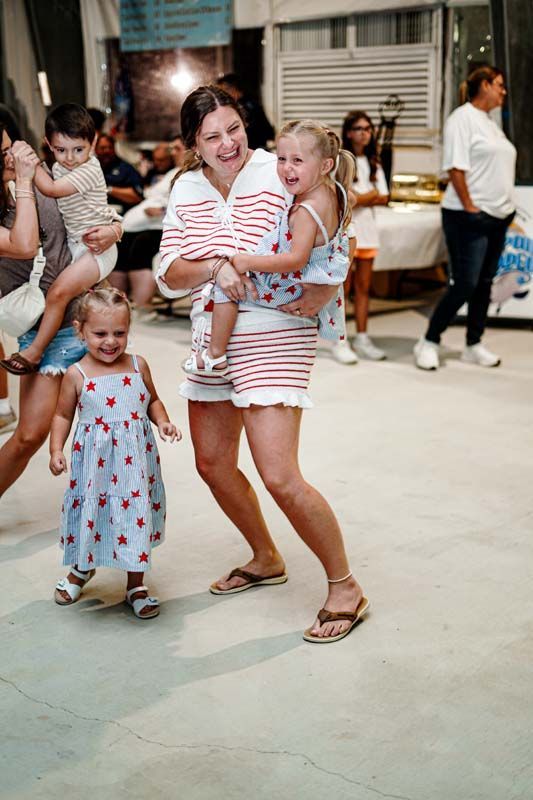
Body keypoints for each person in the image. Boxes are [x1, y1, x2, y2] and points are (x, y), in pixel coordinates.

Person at [158, 85, 368, 643]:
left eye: (234, 128)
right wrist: (213, 269)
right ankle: (265, 556)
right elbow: (167, 273)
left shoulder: (278, 169)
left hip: (276, 326)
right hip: (212, 330)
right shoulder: (184, 190)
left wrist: (331, 283)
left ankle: (345, 586)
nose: (228, 143)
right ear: (193, 145)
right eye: (212, 136)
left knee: (278, 472)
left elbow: (335, 218)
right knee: (213, 463)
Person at [0, 125, 119, 498]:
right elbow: (23, 244)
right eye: (0, 152)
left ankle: (114, 514)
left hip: (86, 318)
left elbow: (92, 205)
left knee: (109, 430)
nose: (10, 155)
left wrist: (115, 229)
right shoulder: (25, 183)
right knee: (31, 434)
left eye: (10, 145)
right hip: (40, 330)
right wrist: (23, 182)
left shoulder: (45, 176)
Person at [183, 119, 353, 375]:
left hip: (289, 286)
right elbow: (349, 226)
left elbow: (296, 259)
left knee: (226, 285)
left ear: (325, 165)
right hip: (307, 279)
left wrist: (246, 261)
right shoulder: (335, 191)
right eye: (281, 159)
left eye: (297, 161)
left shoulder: (307, 210)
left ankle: (214, 354)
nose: (286, 168)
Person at [50, 287, 180, 617]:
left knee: (134, 517)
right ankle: (81, 568)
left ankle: (136, 583)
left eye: (119, 333)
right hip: (95, 469)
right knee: (91, 514)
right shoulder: (76, 374)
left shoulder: (138, 365)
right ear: (80, 330)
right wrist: (56, 449)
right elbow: (62, 414)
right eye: (100, 333)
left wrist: (163, 422)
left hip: (135, 466)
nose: (110, 341)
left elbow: (152, 400)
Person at [0, 103, 121, 376]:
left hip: (93, 250)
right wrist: (28, 173)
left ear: (93, 143)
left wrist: (115, 230)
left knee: (58, 293)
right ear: (50, 145)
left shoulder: (85, 168)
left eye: (78, 149)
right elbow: (24, 244)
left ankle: (35, 352)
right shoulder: (55, 169)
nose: (69, 158)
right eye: (60, 150)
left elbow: (60, 193)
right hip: (79, 252)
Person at [414, 67, 516, 370]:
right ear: (483, 85)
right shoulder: (462, 118)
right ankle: (430, 340)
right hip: (467, 216)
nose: (503, 91)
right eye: (499, 85)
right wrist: (470, 206)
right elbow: (455, 167)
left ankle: (474, 343)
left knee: (484, 284)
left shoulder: (490, 123)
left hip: (498, 216)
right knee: (465, 284)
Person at [334, 110, 389, 365]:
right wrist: (369, 197)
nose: (364, 133)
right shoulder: (341, 161)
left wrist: (363, 198)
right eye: (358, 128)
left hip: (370, 232)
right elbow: (346, 197)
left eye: (367, 129)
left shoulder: (375, 161)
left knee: (364, 288)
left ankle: (363, 336)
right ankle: (339, 339)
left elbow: (385, 196)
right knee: (343, 288)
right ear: (348, 132)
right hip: (348, 232)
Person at [109, 135, 186, 312]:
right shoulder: (173, 172)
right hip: (141, 224)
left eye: (177, 148)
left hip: (161, 226)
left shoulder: (190, 173)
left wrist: (163, 210)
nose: (172, 153)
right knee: (120, 246)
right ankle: (118, 305)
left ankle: (143, 305)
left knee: (141, 246)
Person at [217, 73, 275, 150]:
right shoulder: (252, 103)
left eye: (224, 90)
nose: (221, 95)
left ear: (233, 88)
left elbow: (266, 132)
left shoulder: (245, 107)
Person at [95, 133, 144, 213]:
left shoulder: (126, 169)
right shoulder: (90, 167)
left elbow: (137, 197)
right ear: (96, 150)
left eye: (110, 147)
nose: (107, 151)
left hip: (120, 213)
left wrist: (108, 189)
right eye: (103, 148)